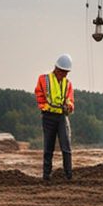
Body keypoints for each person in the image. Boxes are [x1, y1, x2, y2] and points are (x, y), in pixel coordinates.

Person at [35, 53, 75, 181]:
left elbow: (70, 99)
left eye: (67, 72)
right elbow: (39, 94)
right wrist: (44, 106)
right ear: (57, 69)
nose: (65, 75)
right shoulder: (44, 79)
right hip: (48, 116)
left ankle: (68, 175)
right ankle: (46, 176)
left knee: (66, 146)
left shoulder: (67, 83)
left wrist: (68, 106)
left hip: (62, 117)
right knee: (48, 147)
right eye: (63, 72)